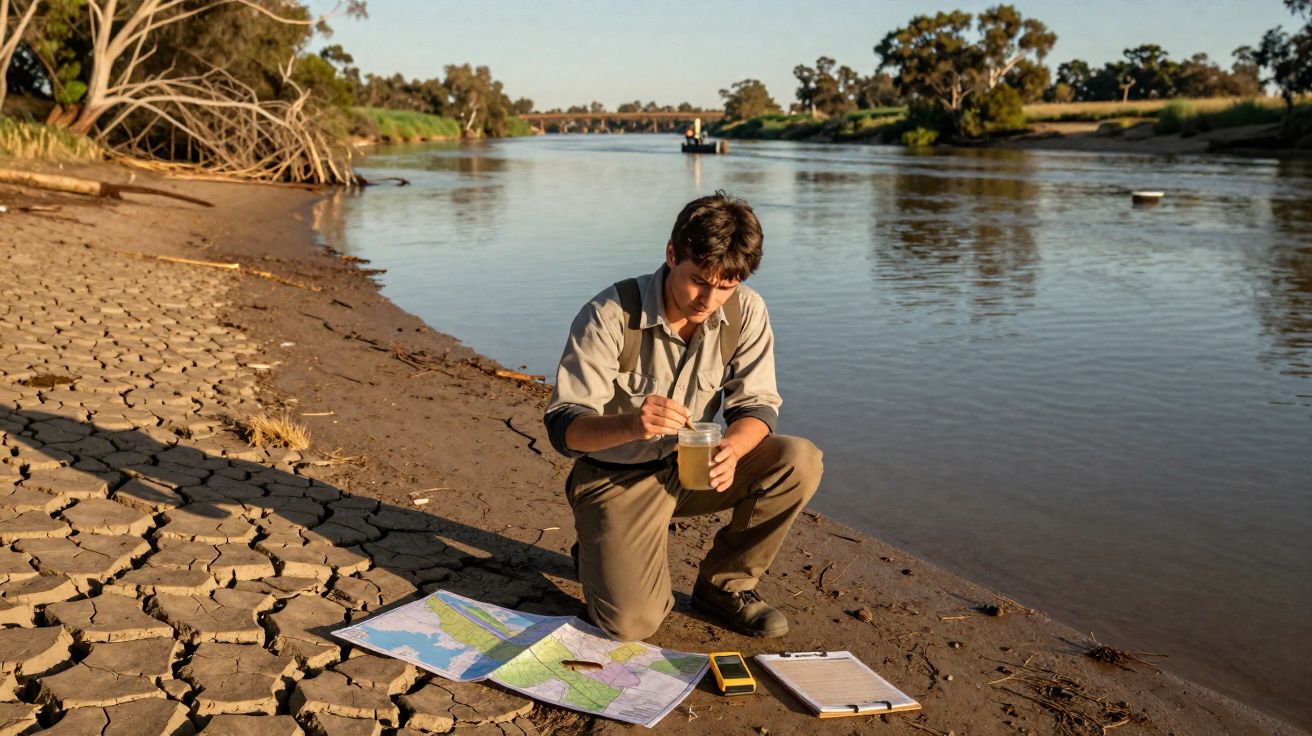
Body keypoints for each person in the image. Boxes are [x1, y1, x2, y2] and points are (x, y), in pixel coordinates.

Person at [544, 190, 823, 641]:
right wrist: (631, 423)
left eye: (726, 286)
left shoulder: (747, 309)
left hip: (693, 471)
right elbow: (564, 429)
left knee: (799, 460)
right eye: (699, 281)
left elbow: (756, 407)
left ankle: (724, 587)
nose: (709, 299)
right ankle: (599, 546)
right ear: (672, 254)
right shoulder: (609, 314)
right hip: (617, 478)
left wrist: (734, 449)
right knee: (631, 624)